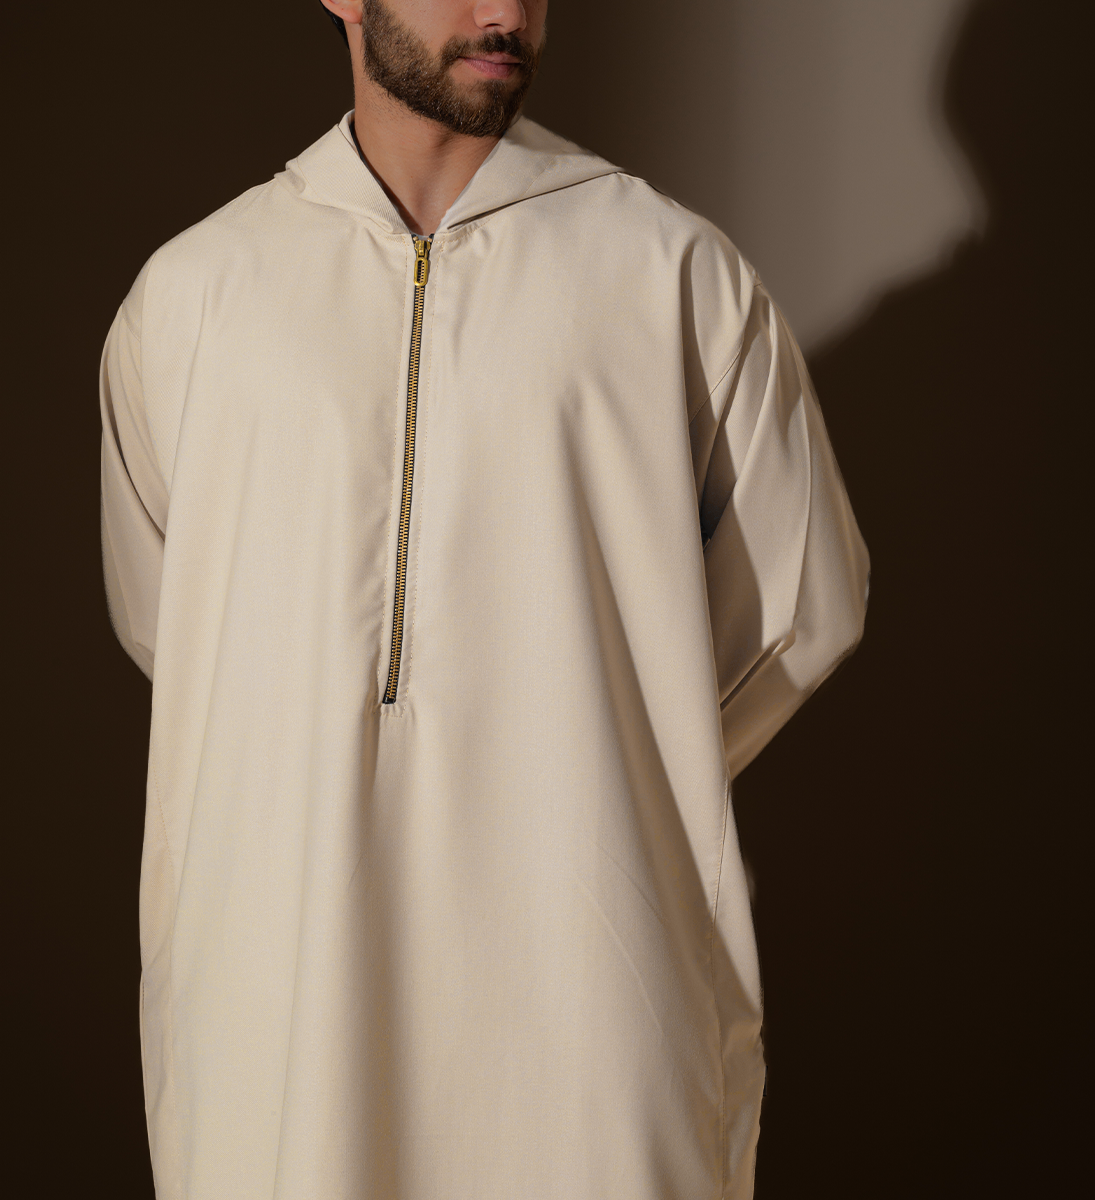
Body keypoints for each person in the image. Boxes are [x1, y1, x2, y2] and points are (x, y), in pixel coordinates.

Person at [99, 1, 869, 1196]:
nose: (505, 11)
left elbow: (805, 600)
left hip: (591, 1002)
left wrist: (602, 746)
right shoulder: (195, 295)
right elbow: (184, 627)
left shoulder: (670, 272)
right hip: (280, 999)